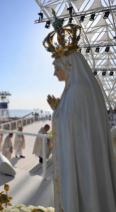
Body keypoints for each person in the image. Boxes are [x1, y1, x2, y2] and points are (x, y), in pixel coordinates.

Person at [45, 12, 116, 211]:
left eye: (56, 67)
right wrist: (59, 109)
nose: (54, 73)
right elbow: (74, 120)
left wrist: (58, 113)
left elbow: (71, 124)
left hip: (83, 165)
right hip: (83, 158)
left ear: (68, 66)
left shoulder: (78, 92)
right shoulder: (76, 89)